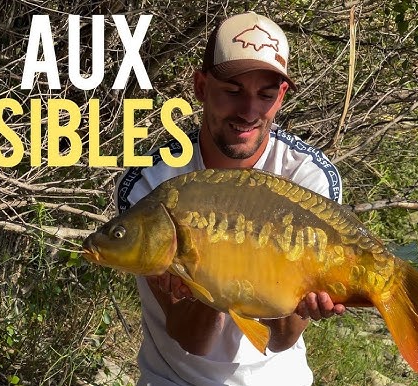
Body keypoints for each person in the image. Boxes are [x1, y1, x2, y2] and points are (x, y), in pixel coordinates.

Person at [115, 11, 345, 385]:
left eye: (266, 95)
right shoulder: (152, 182)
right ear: (201, 87)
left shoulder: (308, 178)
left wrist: (306, 302)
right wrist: (211, 274)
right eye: (233, 91)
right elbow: (193, 338)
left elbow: (281, 338)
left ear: (281, 96)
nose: (249, 112)